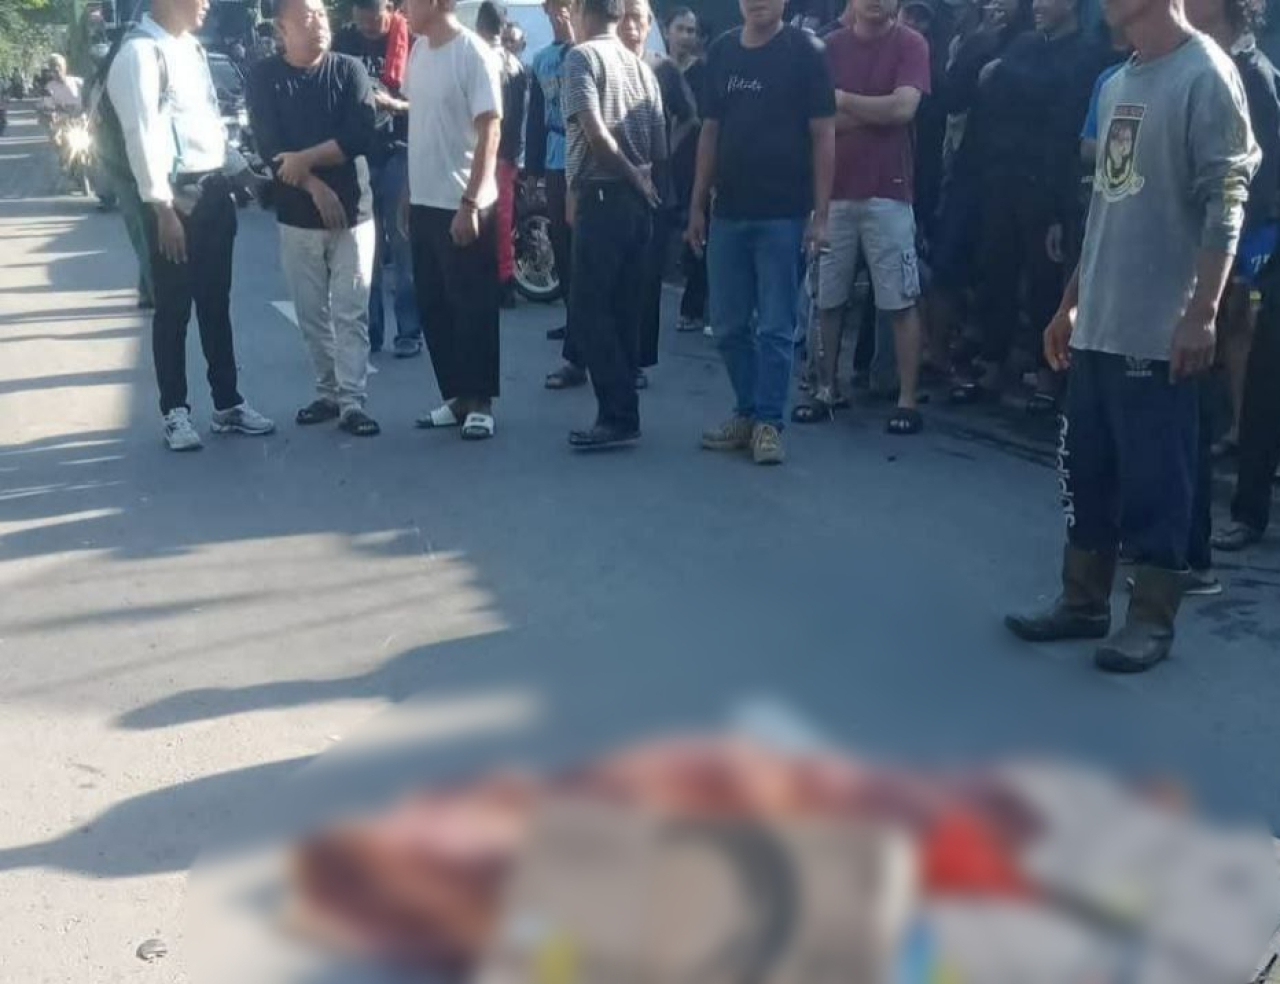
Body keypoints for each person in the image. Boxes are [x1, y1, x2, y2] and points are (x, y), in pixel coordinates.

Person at [1005, 0, 1258, 672]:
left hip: (1159, 327)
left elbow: (1226, 202)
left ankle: (1150, 619)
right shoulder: (1117, 82)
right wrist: (1069, 304)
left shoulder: (1207, 75)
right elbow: (1106, 206)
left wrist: (1202, 313)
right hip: (1101, 321)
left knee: (1157, 481)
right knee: (1088, 471)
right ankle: (1083, 599)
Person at [107, 0, 275, 451]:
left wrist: (242, 174)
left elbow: (207, 124)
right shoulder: (140, 55)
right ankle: (175, 412)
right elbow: (141, 136)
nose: (207, 3)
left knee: (216, 304)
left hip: (214, 190)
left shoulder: (191, 50)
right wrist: (162, 209)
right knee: (174, 308)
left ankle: (227, 403)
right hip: (173, 198)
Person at [687, 0, 836, 466]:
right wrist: (696, 205)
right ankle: (748, 412)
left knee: (775, 326)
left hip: (784, 215)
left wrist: (821, 214)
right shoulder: (723, 51)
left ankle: (769, 422)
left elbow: (824, 134)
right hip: (728, 211)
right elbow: (709, 132)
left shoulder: (806, 51)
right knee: (728, 325)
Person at [952, 0, 1104, 411]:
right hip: (1001, 177)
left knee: (1045, 282)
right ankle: (992, 360)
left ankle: (1048, 371)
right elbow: (990, 93)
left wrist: (1011, 79)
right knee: (995, 270)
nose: (1037, 5)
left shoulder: (1087, 53)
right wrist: (1014, 80)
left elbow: (1066, 119)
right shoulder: (1023, 44)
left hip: (1050, 184)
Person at [791, 0, 930, 435]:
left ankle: (907, 400)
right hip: (831, 192)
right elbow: (816, 120)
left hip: (890, 191)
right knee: (826, 298)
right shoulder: (827, 48)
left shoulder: (911, 43)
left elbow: (903, 109)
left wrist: (843, 101)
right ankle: (825, 388)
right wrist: (874, 111)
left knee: (900, 298)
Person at [247, 0, 381, 437]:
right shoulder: (265, 77)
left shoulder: (349, 70)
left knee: (350, 310)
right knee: (311, 313)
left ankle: (352, 400)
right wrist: (314, 186)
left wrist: (303, 159)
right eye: (306, 17)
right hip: (297, 215)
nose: (318, 23)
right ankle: (328, 392)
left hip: (353, 213)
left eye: (321, 14)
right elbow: (270, 148)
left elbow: (359, 135)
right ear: (282, 29)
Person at [562, 0, 666, 449]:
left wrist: (627, 173)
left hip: (603, 194)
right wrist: (642, 178)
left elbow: (594, 132)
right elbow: (660, 144)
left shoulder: (581, 58)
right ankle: (623, 414)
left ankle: (617, 411)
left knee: (588, 309)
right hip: (637, 203)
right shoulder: (642, 68)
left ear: (583, 11)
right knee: (624, 308)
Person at [403, 0, 503, 440]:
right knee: (434, 305)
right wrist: (408, 191)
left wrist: (470, 202)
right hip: (424, 199)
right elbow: (421, 123)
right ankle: (457, 396)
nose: (402, 7)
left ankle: (480, 400)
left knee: (471, 306)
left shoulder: (472, 52)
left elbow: (490, 131)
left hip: (464, 202)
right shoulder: (418, 51)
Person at [333, 0, 424, 358]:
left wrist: (394, 105)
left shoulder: (411, 41)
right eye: (361, 18)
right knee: (363, 248)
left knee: (402, 243)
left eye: (374, 17)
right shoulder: (344, 41)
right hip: (358, 154)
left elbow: (428, 103)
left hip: (399, 151)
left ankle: (409, 330)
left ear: (389, 8)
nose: (368, 25)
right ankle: (370, 329)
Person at [621, 0, 694, 389]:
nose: (632, 26)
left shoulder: (662, 67)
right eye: (625, 18)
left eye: (639, 19)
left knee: (646, 278)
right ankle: (594, 356)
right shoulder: (607, 61)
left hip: (655, 187)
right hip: (612, 183)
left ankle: (636, 361)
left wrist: (664, 149)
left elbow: (690, 116)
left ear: (651, 25)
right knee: (608, 276)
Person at [528, 0, 586, 386]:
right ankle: (573, 321)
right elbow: (535, 116)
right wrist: (532, 173)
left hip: (588, 160)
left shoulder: (589, 53)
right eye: (557, 5)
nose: (563, 12)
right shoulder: (541, 60)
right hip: (554, 159)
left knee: (589, 253)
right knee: (562, 249)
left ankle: (593, 340)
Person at [476, 0, 529, 310]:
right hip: (507, 153)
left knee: (481, 215)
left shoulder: (477, 59)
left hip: (483, 148)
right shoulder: (515, 65)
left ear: (480, 26)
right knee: (503, 219)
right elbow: (519, 115)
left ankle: (491, 280)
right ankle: (505, 279)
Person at [664, 6, 711, 334]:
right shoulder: (655, 68)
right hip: (658, 167)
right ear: (666, 30)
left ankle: (694, 307)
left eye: (691, 31)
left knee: (697, 234)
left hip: (694, 163)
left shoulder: (703, 73)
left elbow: (703, 121)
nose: (685, 36)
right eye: (680, 29)